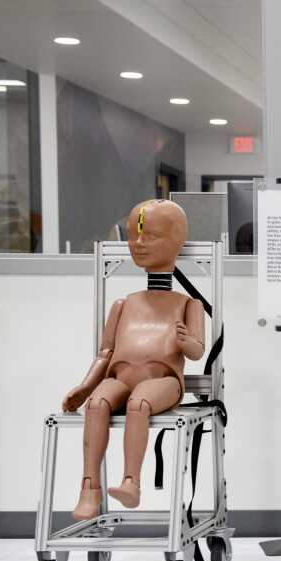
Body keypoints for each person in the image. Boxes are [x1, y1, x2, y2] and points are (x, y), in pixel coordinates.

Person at [62, 200, 205, 520]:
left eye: (150, 236)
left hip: (163, 382)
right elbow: (105, 353)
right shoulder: (123, 304)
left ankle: (131, 481)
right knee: (98, 404)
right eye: (132, 236)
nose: (138, 243)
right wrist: (85, 388)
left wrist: (186, 342)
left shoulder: (188, 304)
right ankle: (89, 488)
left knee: (139, 402)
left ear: (177, 240)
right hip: (120, 378)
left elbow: (198, 352)